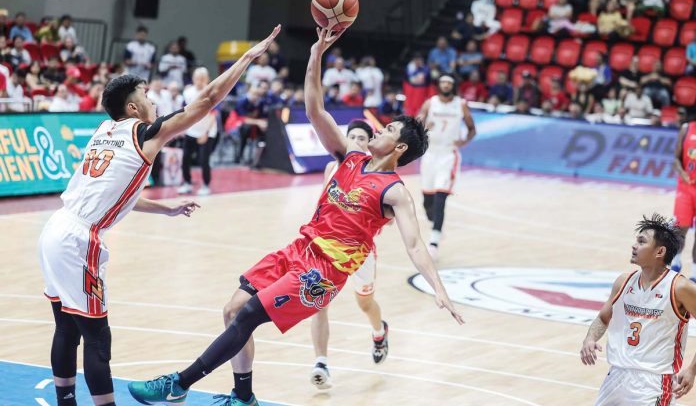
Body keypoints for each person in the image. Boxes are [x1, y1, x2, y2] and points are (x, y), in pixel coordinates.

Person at [128, 27, 463, 405]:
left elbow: (416, 245)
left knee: (248, 315)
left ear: (399, 147)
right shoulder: (349, 157)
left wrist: (438, 288)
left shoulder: (395, 192)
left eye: (387, 129)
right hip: (299, 249)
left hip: (324, 271)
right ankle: (243, 397)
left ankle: (179, 383)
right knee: (232, 309)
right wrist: (316, 54)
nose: (379, 129)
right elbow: (314, 109)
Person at [38, 23, 281, 406]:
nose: (153, 101)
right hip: (78, 240)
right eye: (146, 95)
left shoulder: (105, 129)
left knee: (66, 329)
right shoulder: (144, 133)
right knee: (98, 338)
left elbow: (111, 190)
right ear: (133, 108)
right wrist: (248, 58)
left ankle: (66, 401)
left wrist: (163, 209)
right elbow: (207, 101)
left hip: (54, 228)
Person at [581, 214, 696, 405]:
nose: (634, 245)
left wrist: (692, 369)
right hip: (616, 376)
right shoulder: (623, 282)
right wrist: (590, 338)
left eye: (641, 242)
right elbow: (603, 318)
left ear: (659, 252)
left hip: (654, 383)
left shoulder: (679, 287)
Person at [309, 120, 390, 389]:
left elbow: (387, 217)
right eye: (351, 136)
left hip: (359, 252)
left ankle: (379, 332)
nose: (355, 141)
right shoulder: (333, 167)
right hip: (327, 247)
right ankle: (321, 362)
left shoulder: (377, 176)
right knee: (318, 301)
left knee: (365, 303)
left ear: (370, 145)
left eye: (361, 138)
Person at [417, 74, 476, 261]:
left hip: (448, 154)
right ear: (439, 85)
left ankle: (434, 242)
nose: (445, 85)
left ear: (453, 85)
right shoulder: (430, 103)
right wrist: (425, 125)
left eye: (449, 83)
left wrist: (464, 141)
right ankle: (436, 225)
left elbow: (472, 128)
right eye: (443, 82)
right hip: (430, 153)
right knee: (427, 201)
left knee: (441, 195)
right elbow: (416, 125)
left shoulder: (461, 104)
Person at [180, 67, 217, 195]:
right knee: (185, 158)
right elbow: (183, 111)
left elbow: (214, 115)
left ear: (207, 79)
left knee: (203, 160)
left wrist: (206, 133)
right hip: (190, 130)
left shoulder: (212, 92)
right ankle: (187, 183)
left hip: (207, 132)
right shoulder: (187, 92)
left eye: (202, 78)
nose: (199, 81)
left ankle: (206, 185)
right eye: (197, 78)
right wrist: (182, 127)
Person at [670, 117, 696, 282]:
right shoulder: (686, 129)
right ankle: (676, 259)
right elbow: (675, 160)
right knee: (680, 230)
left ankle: (694, 274)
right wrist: (682, 172)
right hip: (685, 189)